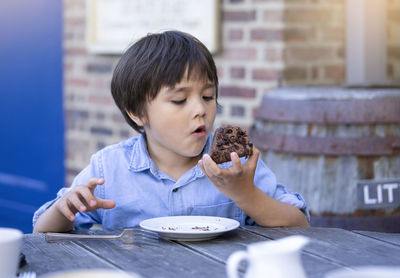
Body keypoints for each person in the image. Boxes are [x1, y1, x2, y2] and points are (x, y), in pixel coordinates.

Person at [33, 30, 309, 233]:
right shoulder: (109, 169)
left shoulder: (236, 167)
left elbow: (300, 223)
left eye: (208, 96)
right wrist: (64, 209)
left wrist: (244, 193)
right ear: (137, 113)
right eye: (179, 100)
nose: (200, 109)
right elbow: (42, 235)